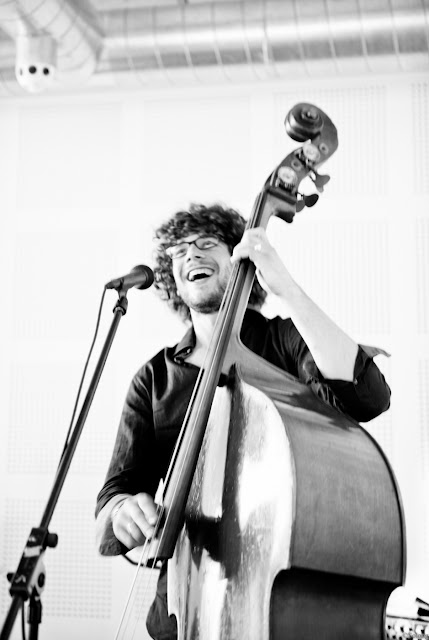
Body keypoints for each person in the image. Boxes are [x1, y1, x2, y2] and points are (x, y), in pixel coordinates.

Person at [95, 203, 391, 640]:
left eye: (206, 243)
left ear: (238, 259)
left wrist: (286, 287)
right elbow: (111, 503)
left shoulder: (283, 342)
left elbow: (367, 398)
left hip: (273, 603)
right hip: (181, 609)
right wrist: (123, 512)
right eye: (180, 251)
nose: (191, 254)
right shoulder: (153, 379)